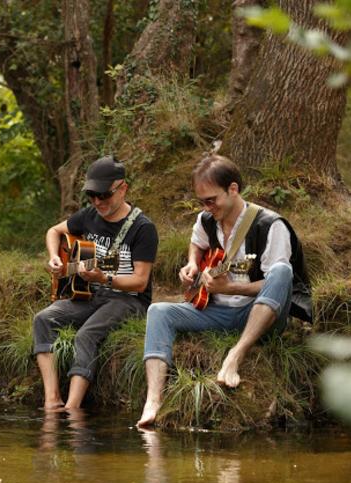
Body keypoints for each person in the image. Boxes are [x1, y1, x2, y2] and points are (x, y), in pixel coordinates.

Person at [137, 154, 311, 427]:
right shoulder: (206, 220)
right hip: (216, 310)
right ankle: (153, 400)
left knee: (282, 271)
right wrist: (193, 264)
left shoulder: (270, 225)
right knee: (158, 311)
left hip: (260, 315)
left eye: (211, 200)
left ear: (233, 189)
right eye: (201, 202)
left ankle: (236, 354)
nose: (207, 207)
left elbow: (278, 284)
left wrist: (232, 286)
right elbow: (197, 243)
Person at [33, 156, 159, 410]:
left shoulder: (143, 228)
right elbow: (53, 231)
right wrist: (55, 257)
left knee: (86, 335)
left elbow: (140, 282)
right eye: (92, 196)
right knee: (42, 320)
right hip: (91, 293)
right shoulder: (89, 216)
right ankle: (52, 399)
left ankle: (72, 409)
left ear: (122, 188)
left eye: (104, 195)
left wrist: (105, 278)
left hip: (129, 300)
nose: (98, 202)